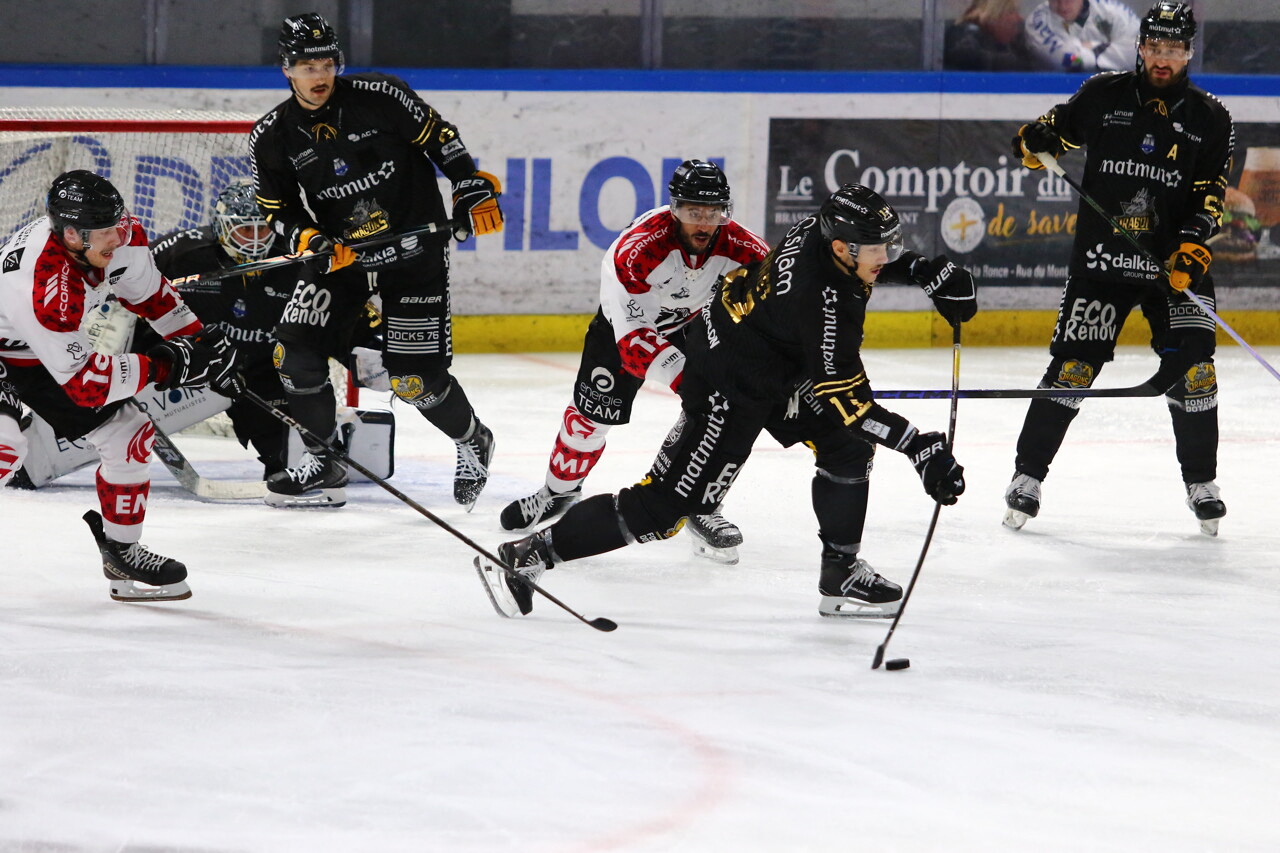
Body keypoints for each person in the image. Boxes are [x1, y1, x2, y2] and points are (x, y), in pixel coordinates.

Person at [477, 184, 977, 620]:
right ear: (844, 248)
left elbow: (847, 392)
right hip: (727, 386)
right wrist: (919, 447)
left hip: (760, 356)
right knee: (664, 510)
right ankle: (527, 555)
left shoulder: (820, 233)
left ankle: (840, 574)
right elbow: (853, 405)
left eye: (891, 246)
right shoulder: (824, 306)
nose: (885, 257)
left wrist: (927, 272)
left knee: (845, 447)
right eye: (878, 250)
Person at [250, 12, 503, 509]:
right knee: (292, 351)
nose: (318, 75)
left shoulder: (380, 96)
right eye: (305, 64)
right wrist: (310, 238)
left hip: (413, 251)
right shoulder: (273, 134)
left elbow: (439, 137)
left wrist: (469, 183)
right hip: (343, 260)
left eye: (325, 62)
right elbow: (276, 208)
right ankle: (323, 456)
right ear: (286, 68)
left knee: (413, 381)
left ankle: (473, 439)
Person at [1005, 2, 1234, 535]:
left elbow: (1210, 196)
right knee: (1072, 371)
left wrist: (1193, 246)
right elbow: (1049, 134)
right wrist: (1033, 142)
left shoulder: (1211, 118)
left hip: (1174, 268)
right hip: (1103, 263)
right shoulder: (1104, 94)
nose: (1162, 58)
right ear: (1140, 46)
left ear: (1188, 52)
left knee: (1196, 373)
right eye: (1154, 47)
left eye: (1173, 49)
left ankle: (1202, 482)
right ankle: (1026, 477)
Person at [498, 160, 770, 563]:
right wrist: (688, 377)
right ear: (674, 208)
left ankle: (700, 503)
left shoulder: (746, 251)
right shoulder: (639, 249)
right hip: (623, 331)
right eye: (694, 211)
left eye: (714, 213)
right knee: (588, 421)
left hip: (695, 327)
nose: (704, 223)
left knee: (719, 414)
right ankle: (558, 493)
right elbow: (635, 343)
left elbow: (776, 315)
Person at [0, 170, 240, 601]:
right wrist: (168, 365)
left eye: (118, 223)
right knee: (5, 448)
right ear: (72, 235)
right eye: (106, 231)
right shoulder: (44, 283)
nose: (119, 235)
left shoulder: (120, 236)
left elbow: (155, 299)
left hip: (32, 352)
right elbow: (87, 386)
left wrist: (201, 347)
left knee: (128, 432)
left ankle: (122, 554)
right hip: (14, 346)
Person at [148, 179, 385, 480]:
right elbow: (123, 293)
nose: (257, 240)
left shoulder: (298, 257)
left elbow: (342, 312)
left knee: (284, 456)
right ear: (222, 227)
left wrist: (370, 351)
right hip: (194, 363)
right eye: (246, 229)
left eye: (263, 229)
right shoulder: (178, 253)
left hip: (263, 368)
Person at [1025, 0, 1140, 72]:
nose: (1062, 6)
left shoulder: (1112, 11)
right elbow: (1071, 61)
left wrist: (1091, 46)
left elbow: (1144, 52)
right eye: (1055, 0)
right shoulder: (1037, 22)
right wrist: (1114, 49)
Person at [944, 0, 1034, 72]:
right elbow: (966, 55)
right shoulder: (964, 35)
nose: (1019, 18)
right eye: (1011, 11)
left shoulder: (1012, 43)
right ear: (993, 14)